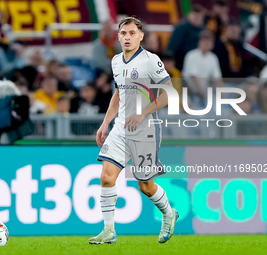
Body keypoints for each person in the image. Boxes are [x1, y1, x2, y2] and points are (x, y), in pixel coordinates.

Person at [89, 17, 178, 245]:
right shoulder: (116, 61)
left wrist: (143, 112)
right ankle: (109, 230)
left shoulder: (151, 61)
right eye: (123, 33)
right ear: (118, 36)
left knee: (145, 186)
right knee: (107, 177)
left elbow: (169, 93)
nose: (127, 37)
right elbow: (118, 94)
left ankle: (168, 212)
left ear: (141, 36)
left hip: (145, 129)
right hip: (120, 127)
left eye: (131, 33)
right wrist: (105, 123)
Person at [182, 30, 223, 108]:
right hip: (189, 91)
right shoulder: (191, 55)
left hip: (204, 91)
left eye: (209, 42)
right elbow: (194, 78)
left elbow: (217, 78)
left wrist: (220, 93)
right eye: (204, 41)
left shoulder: (213, 58)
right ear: (200, 42)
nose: (207, 44)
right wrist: (204, 94)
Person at [168, 4, 205, 70]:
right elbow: (173, 47)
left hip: (199, 64)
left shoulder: (203, 31)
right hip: (181, 63)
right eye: (195, 16)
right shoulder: (181, 28)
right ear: (189, 15)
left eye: (199, 17)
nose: (197, 18)